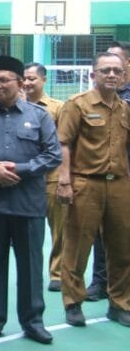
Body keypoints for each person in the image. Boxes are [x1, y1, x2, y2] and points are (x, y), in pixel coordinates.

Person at [0, 55, 62, 344]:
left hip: (28, 204)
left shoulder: (39, 116)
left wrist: (22, 170)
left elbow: (53, 155)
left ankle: (33, 321)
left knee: (30, 266)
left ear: (19, 83)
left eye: (4, 80)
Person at [57, 52, 130, 328]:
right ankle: (73, 302)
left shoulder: (125, 109)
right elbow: (64, 144)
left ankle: (120, 303)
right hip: (86, 183)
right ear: (93, 75)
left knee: (123, 248)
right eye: (105, 70)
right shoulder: (77, 105)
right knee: (78, 245)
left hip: (120, 185)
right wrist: (65, 181)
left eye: (116, 71)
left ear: (123, 76)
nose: (111, 75)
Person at [83, 40, 130, 302]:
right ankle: (101, 282)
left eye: (116, 62)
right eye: (105, 65)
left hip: (126, 175)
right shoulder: (92, 101)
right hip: (105, 178)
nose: (110, 69)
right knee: (102, 235)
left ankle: (121, 292)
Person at [22, 62, 64, 292]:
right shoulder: (14, 108)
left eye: (32, 78)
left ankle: (57, 273)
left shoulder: (58, 108)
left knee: (59, 230)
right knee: (27, 230)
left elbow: (64, 145)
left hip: (52, 178)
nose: (27, 83)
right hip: (25, 181)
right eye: (24, 79)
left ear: (43, 80)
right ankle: (30, 272)